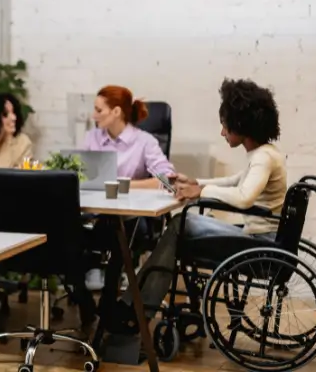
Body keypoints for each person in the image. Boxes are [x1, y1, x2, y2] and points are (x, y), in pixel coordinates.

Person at [109, 78, 286, 333]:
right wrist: (195, 182)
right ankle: (136, 305)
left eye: (225, 125)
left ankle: (135, 307)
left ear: (241, 124)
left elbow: (244, 197)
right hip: (259, 235)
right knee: (181, 223)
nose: (222, 132)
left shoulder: (263, 159)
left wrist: (199, 191)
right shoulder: (264, 154)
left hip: (261, 242)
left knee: (180, 225)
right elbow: (234, 181)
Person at [81, 85, 176, 291]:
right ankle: (85, 304)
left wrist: (125, 185)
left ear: (116, 112)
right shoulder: (92, 138)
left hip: (130, 218)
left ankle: (109, 302)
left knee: (120, 233)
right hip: (94, 215)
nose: (93, 115)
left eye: (99, 110)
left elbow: (168, 180)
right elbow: (79, 174)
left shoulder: (144, 142)